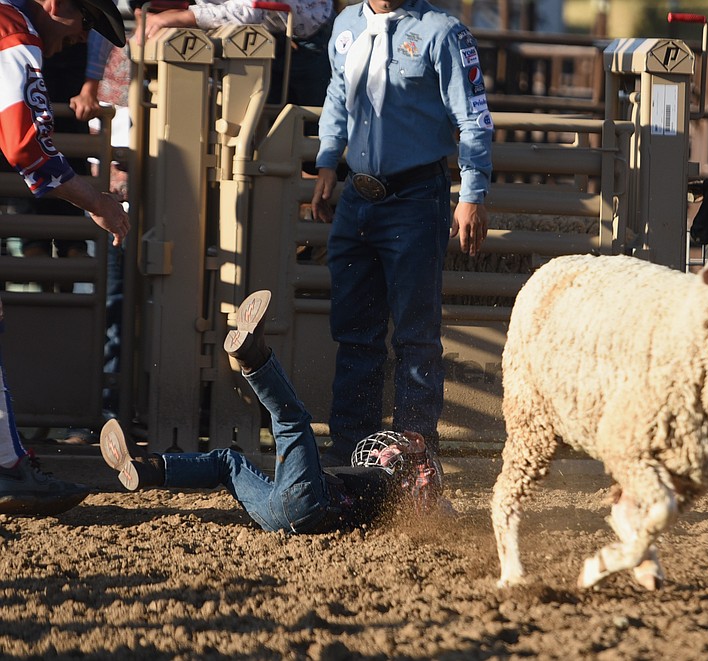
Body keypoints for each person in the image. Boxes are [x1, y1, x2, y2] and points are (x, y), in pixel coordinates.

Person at [311, 0, 493, 465]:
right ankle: (353, 459)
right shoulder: (347, 25)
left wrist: (472, 193)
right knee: (355, 331)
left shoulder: (443, 33)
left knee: (415, 336)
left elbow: (472, 115)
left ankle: (414, 467)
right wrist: (328, 159)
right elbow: (338, 92)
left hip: (415, 196)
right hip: (357, 196)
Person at [100, 290, 443, 531]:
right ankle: (146, 469)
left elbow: (415, 479)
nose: (383, 454)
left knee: (292, 419)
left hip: (309, 501)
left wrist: (411, 457)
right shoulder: (391, 498)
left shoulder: (394, 486)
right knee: (227, 463)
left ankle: (254, 357)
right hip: (277, 514)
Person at [0, 0, 130, 514]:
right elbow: (24, 144)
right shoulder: (14, 31)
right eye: (85, 23)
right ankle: (7, 468)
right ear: (56, 4)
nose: (82, 39)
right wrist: (96, 201)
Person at [134, 0, 336, 107]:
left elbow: (250, 9)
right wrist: (150, 15)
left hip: (308, 38)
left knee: (309, 133)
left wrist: (179, 18)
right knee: (260, 130)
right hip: (255, 37)